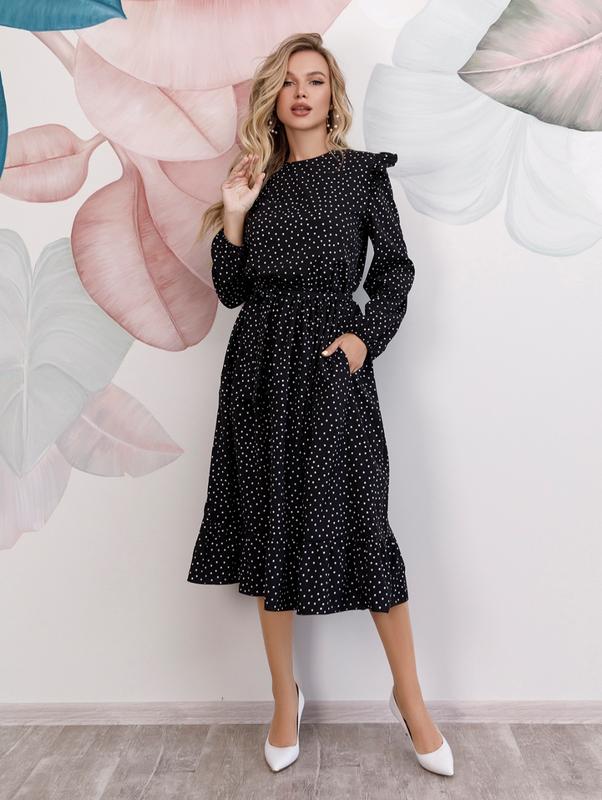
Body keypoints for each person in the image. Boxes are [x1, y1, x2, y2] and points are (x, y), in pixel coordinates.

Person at [187, 32, 454, 777]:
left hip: (334, 366)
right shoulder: (256, 182)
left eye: (315, 80)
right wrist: (234, 213)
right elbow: (232, 291)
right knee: (272, 526)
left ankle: (411, 698)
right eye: (288, 82)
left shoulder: (362, 175)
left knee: (366, 524)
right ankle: (284, 698)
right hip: (260, 370)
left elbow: (395, 271)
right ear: (273, 99)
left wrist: (366, 339)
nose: (301, 93)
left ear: (333, 95)